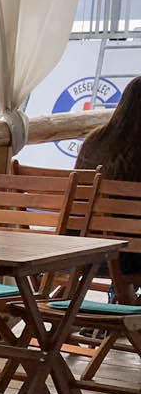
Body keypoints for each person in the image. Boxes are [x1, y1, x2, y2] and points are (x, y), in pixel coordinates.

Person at [76, 75, 141, 275]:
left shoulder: (94, 142)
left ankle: (121, 289)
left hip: (84, 250)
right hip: (129, 255)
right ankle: (123, 290)